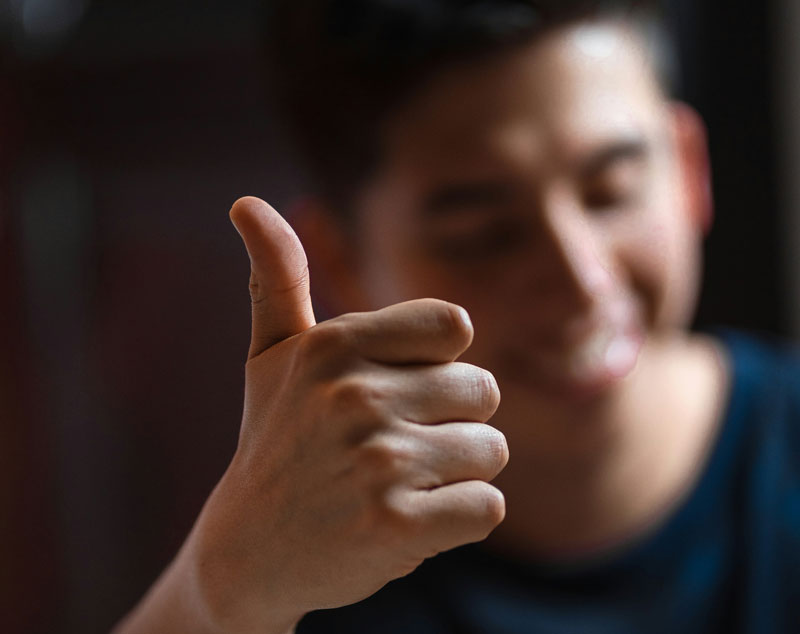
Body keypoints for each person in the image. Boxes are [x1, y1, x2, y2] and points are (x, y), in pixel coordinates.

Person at [116, 1, 800, 632]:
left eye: (610, 190)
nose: (582, 282)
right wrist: (222, 589)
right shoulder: (299, 560)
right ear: (341, 259)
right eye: (484, 236)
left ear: (689, 169)